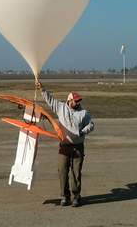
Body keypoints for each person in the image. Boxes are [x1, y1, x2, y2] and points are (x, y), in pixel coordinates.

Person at [35, 79, 94, 207]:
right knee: (62, 171)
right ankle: (65, 196)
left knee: (76, 172)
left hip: (78, 146)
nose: (78, 103)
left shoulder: (83, 113)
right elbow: (49, 99)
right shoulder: (60, 107)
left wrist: (83, 131)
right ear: (69, 100)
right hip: (64, 146)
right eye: (76, 101)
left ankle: (76, 197)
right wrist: (41, 88)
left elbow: (91, 125)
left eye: (79, 101)